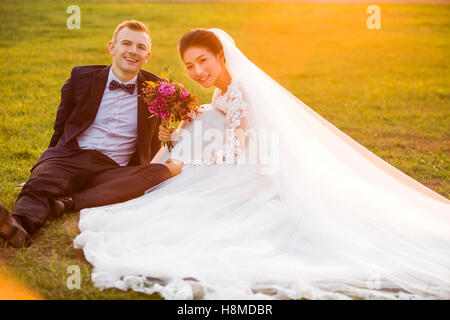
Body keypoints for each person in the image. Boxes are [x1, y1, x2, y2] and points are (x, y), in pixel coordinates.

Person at [74, 28, 450, 300]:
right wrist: (192, 115)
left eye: (202, 61)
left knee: (184, 180)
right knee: (188, 142)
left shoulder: (240, 88)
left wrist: (194, 163)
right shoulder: (226, 88)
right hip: (247, 154)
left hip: (253, 167)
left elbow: (241, 150)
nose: (197, 72)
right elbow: (222, 113)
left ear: (222, 57)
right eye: (190, 66)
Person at [0, 20, 184, 248]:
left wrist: (169, 134)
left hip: (114, 168)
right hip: (73, 156)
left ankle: (66, 202)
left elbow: (163, 133)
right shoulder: (81, 78)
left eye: (140, 47)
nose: (133, 51)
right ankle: (18, 227)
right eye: (126, 43)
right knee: (44, 182)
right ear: (112, 47)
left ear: (147, 55)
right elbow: (61, 125)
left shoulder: (158, 88)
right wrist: (47, 163)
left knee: (159, 173)